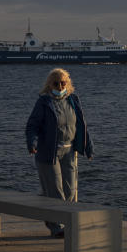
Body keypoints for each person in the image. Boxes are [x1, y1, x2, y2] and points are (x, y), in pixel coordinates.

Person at [25, 68, 94, 238]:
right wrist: (32, 143)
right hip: (49, 153)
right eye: (56, 83)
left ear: (68, 83)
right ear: (50, 84)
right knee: (55, 192)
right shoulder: (44, 102)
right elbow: (32, 126)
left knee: (70, 191)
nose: (60, 85)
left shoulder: (73, 100)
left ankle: (66, 222)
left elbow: (81, 125)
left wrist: (88, 146)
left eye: (63, 82)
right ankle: (57, 228)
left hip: (69, 151)